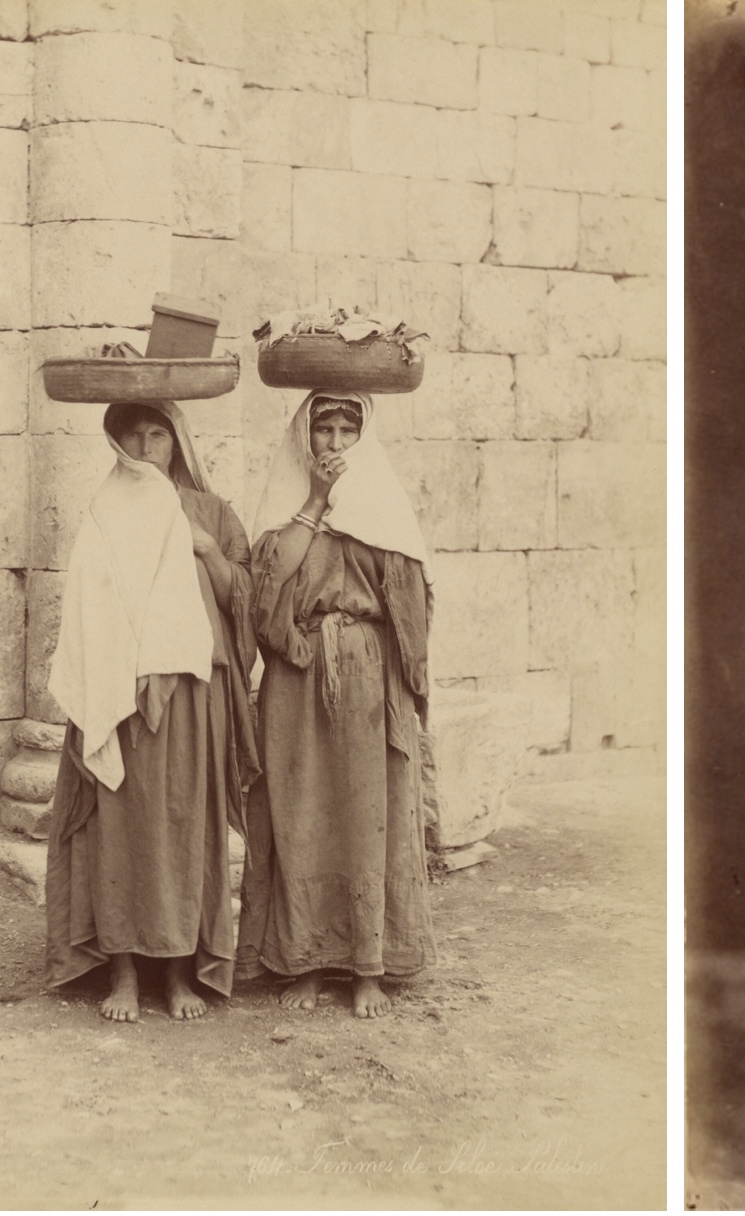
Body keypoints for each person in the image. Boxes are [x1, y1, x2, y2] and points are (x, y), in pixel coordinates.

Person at [45, 401, 260, 1022]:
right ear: (117, 444)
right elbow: (87, 606)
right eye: (133, 435)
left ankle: (178, 973)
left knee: (184, 822)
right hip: (115, 689)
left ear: (178, 443)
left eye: (158, 435)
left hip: (195, 690)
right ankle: (122, 973)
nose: (145, 447)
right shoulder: (103, 512)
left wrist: (207, 551)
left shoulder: (213, 512)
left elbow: (243, 600)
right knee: (119, 825)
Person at [237, 390, 436, 1018]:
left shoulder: (385, 510)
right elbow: (264, 595)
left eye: (350, 428)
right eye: (324, 428)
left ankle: (367, 968)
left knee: (367, 815)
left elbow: (410, 607)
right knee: (301, 814)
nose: (336, 442)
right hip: (298, 676)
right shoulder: (285, 512)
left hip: (370, 682)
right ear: (306, 437)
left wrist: (403, 686)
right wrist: (318, 503)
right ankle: (304, 961)